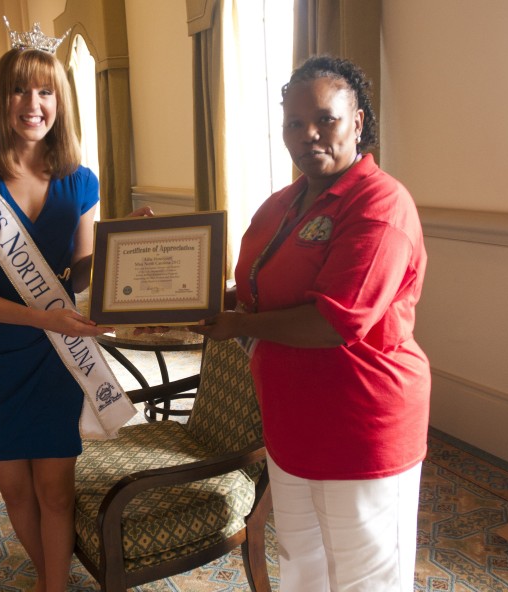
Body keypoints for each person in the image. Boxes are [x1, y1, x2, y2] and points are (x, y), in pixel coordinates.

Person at [192, 55, 430, 591]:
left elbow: (334, 322)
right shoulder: (282, 204)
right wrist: (184, 291)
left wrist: (233, 326)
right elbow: (256, 292)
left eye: (326, 119)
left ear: (358, 123)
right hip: (291, 420)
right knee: (303, 566)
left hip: (362, 423)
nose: (310, 135)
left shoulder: (380, 203)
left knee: (366, 578)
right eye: (295, 124)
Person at [0, 44, 149, 591]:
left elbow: (77, 274)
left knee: (56, 492)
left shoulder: (80, 180)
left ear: (61, 101)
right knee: (15, 490)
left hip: (55, 354)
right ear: (1, 100)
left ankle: (53, 587)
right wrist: (41, 318)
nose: (32, 103)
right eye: (19, 89)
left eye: (46, 91)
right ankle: (49, 577)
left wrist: (122, 243)